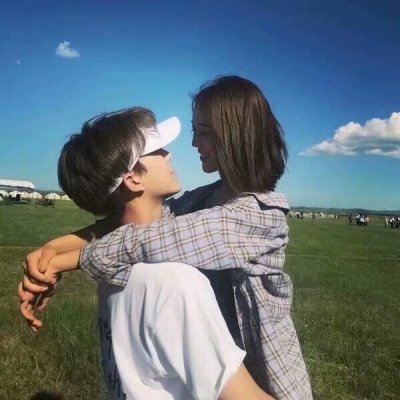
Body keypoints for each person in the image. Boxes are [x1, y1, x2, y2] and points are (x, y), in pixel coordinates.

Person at [21, 76, 313, 399]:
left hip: (269, 384)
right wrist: (51, 252)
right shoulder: (205, 200)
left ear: (234, 136)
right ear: (133, 177)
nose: (191, 144)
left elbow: (151, 238)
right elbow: (129, 225)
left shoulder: (260, 215)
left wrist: (70, 260)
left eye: (203, 132)